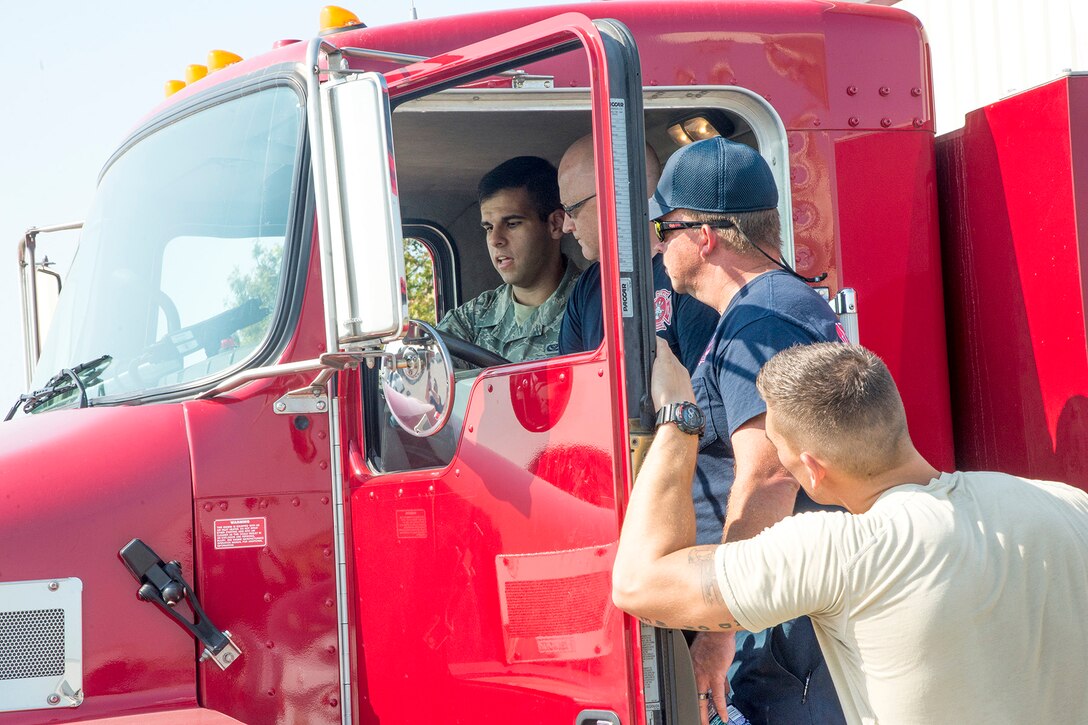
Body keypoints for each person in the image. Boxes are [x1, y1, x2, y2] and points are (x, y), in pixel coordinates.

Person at [614, 340, 1088, 724]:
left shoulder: (842, 551)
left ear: (812, 470)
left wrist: (679, 419)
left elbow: (639, 584)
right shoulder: (1066, 503)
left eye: (778, 449)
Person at [648, 137, 847, 724]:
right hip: (774, 606)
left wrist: (719, 625)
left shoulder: (761, 322)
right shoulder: (770, 307)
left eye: (664, 228)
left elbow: (769, 478)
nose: (658, 245)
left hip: (777, 623)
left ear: (704, 236)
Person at [556, 135, 718, 374]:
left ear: (618, 196)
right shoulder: (587, 288)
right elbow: (572, 384)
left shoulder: (689, 272)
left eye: (572, 210)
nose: (566, 226)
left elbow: (703, 390)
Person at [437, 156, 580, 362]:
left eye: (512, 224)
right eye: (489, 227)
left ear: (556, 224)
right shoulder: (472, 318)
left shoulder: (594, 306)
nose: (495, 240)